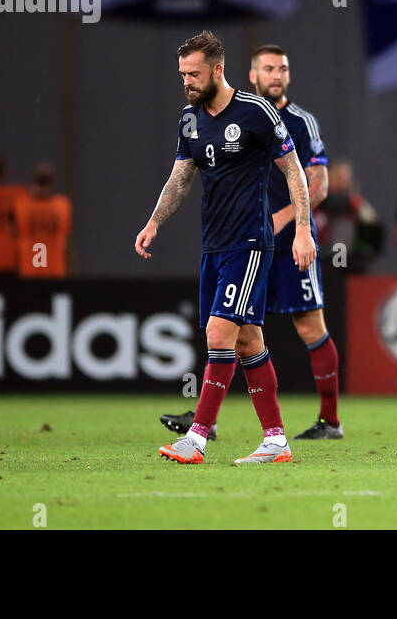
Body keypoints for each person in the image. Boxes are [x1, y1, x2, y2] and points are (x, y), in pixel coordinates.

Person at [136, 30, 316, 466]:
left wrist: (304, 230)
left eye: (194, 74)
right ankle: (276, 440)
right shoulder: (190, 118)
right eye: (182, 75)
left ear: (218, 69)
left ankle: (195, 438)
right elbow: (180, 178)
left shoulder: (256, 112)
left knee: (219, 333)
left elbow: (294, 171)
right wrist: (154, 222)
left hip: (251, 241)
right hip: (213, 245)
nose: (187, 82)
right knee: (247, 340)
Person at [13, 163, 72, 278]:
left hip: (30, 269)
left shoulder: (21, 205)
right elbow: (66, 233)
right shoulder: (62, 205)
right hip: (54, 268)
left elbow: (14, 232)